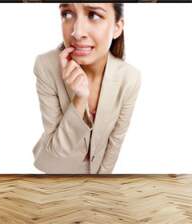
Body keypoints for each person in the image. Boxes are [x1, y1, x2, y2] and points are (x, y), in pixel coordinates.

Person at [32, 3, 141, 174]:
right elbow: (57, 148)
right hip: (57, 169)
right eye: (67, 14)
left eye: (94, 15)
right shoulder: (46, 65)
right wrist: (79, 98)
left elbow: (115, 140)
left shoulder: (129, 77)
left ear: (117, 28)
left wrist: (102, 181)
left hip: (97, 170)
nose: (76, 32)